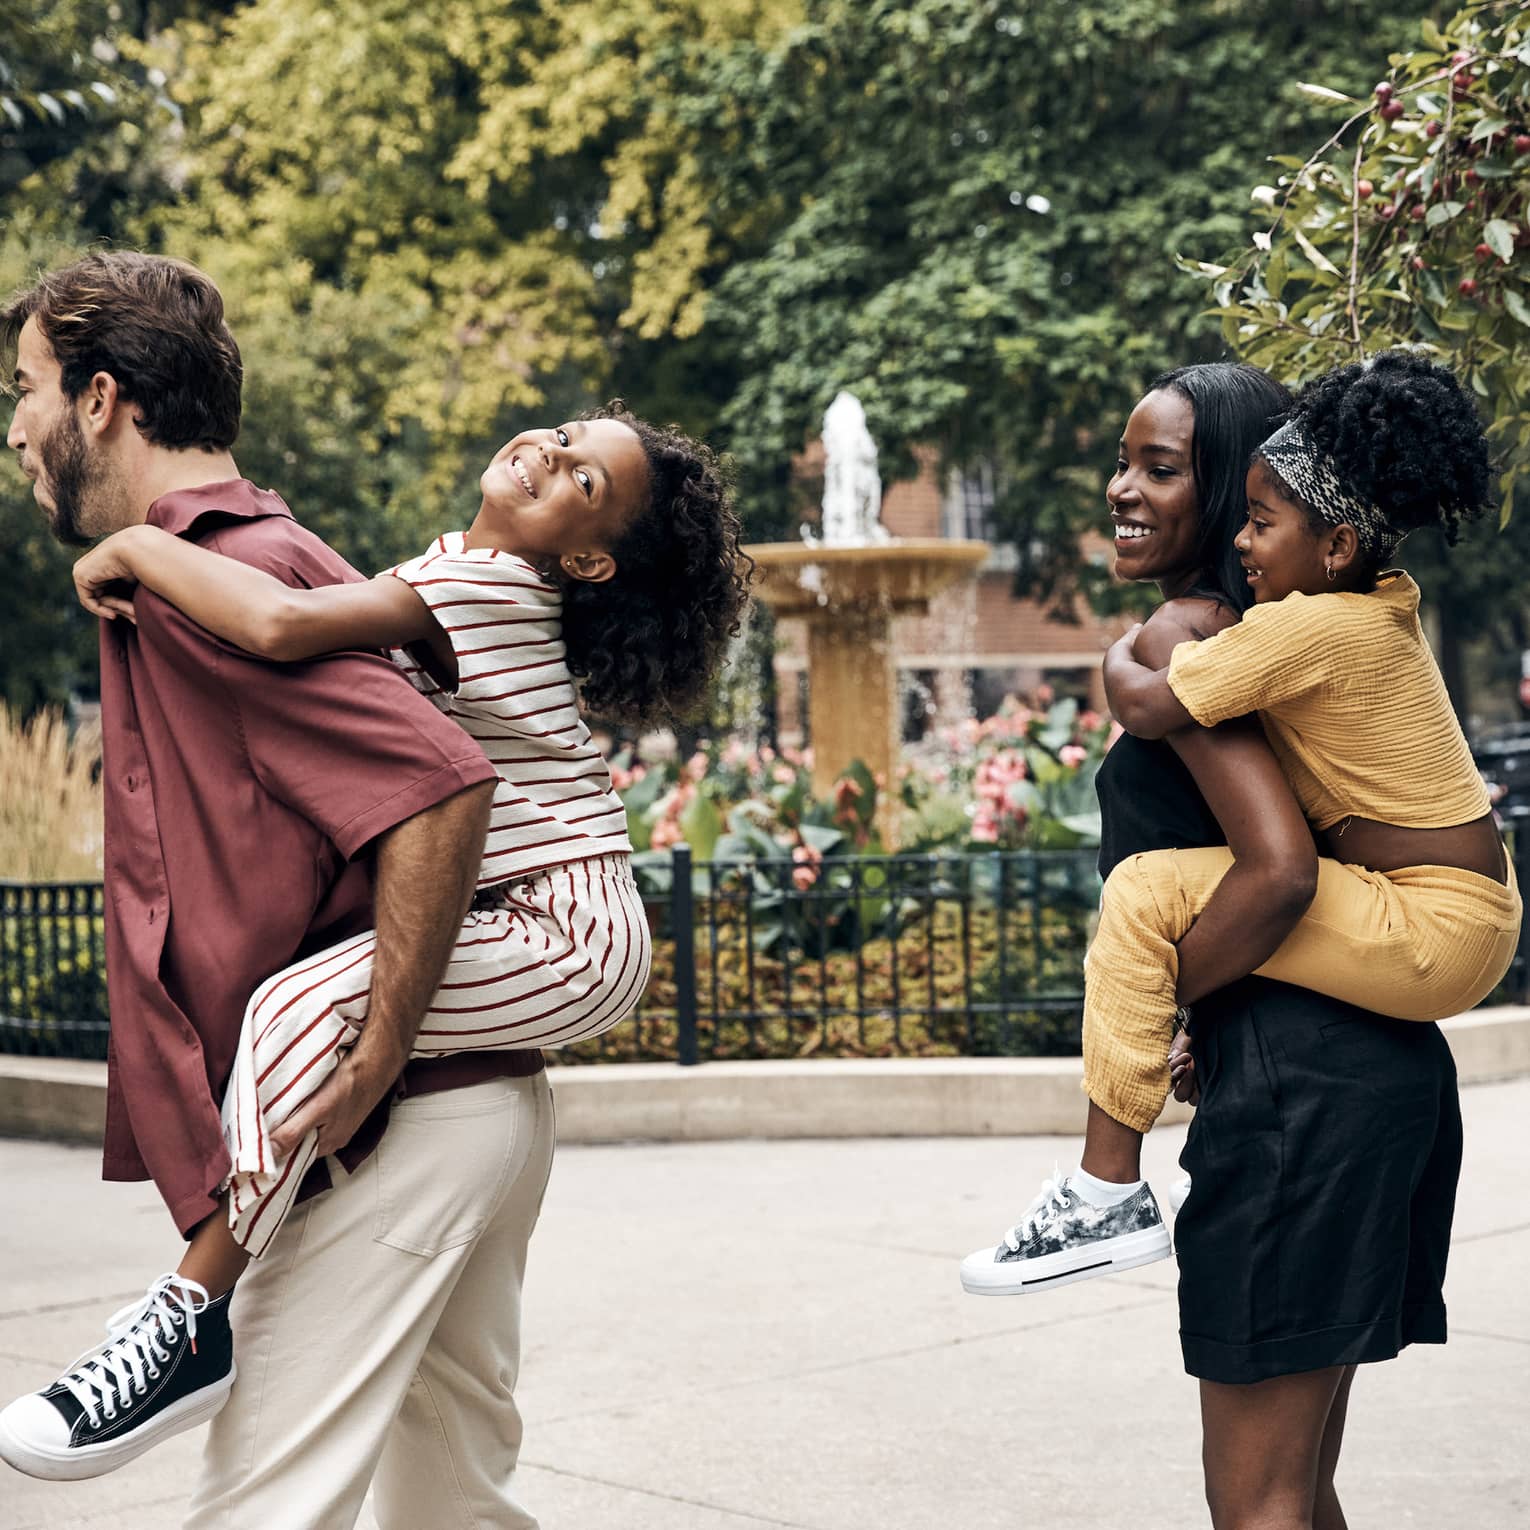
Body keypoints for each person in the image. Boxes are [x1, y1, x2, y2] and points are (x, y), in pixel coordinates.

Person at [0, 252, 746, 1529]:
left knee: (264, 1510)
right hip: (478, 1111)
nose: (15, 423)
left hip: (403, 1122)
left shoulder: (225, 576)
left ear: (104, 398)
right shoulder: (346, 567)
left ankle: (187, 1311)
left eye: (24, 388)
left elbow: (439, 785)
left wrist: (382, 1037)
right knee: (455, 1509)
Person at [961, 351, 1517, 1299]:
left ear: (1331, 543)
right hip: (1454, 929)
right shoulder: (1375, 605)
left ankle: (1105, 1190)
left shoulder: (1268, 630)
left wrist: (1119, 655)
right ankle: (1105, 1188)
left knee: (1144, 895)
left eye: (1163, 468)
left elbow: (1192, 757)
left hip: (1370, 997)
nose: (1122, 488)